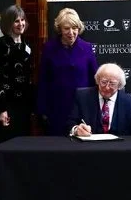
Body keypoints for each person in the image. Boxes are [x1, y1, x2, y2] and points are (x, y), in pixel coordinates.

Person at [37, 8, 98, 136]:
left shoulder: (87, 48)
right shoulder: (49, 48)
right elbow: (43, 80)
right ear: (59, 29)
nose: (71, 33)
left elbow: (94, 79)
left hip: (82, 109)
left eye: (74, 28)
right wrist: (42, 110)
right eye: (66, 28)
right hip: (57, 108)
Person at [0, 5, 33, 145]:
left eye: (22, 20)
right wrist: (2, 109)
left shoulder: (27, 44)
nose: (21, 24)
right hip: (6, 105)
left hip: (24, 106)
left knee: (22, 147)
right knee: (6, 145)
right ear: (8, 23)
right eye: (16, 21)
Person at [67, 63, 131, 136]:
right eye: (103, 82)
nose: (107, 87)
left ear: (119, 85)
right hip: (88, 146)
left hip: (119, 147)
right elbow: (70, 124)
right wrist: (76, 130)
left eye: (112, 84)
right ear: (98, 80)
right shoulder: (82, 97)